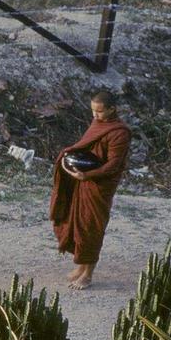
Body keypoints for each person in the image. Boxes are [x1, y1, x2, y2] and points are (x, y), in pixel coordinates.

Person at [50, 90, 131, 290]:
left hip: (100, 185)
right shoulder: (98, 123)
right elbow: (86, 147)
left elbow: (113, 164)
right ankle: (80, 266)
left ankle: (88, 274)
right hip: (84, 179)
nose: (95, 115)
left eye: (100, 111)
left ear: (112, 109)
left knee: (91, 227)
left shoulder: (120, 132)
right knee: (77, 222)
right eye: (93, 111)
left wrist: (88, 175)